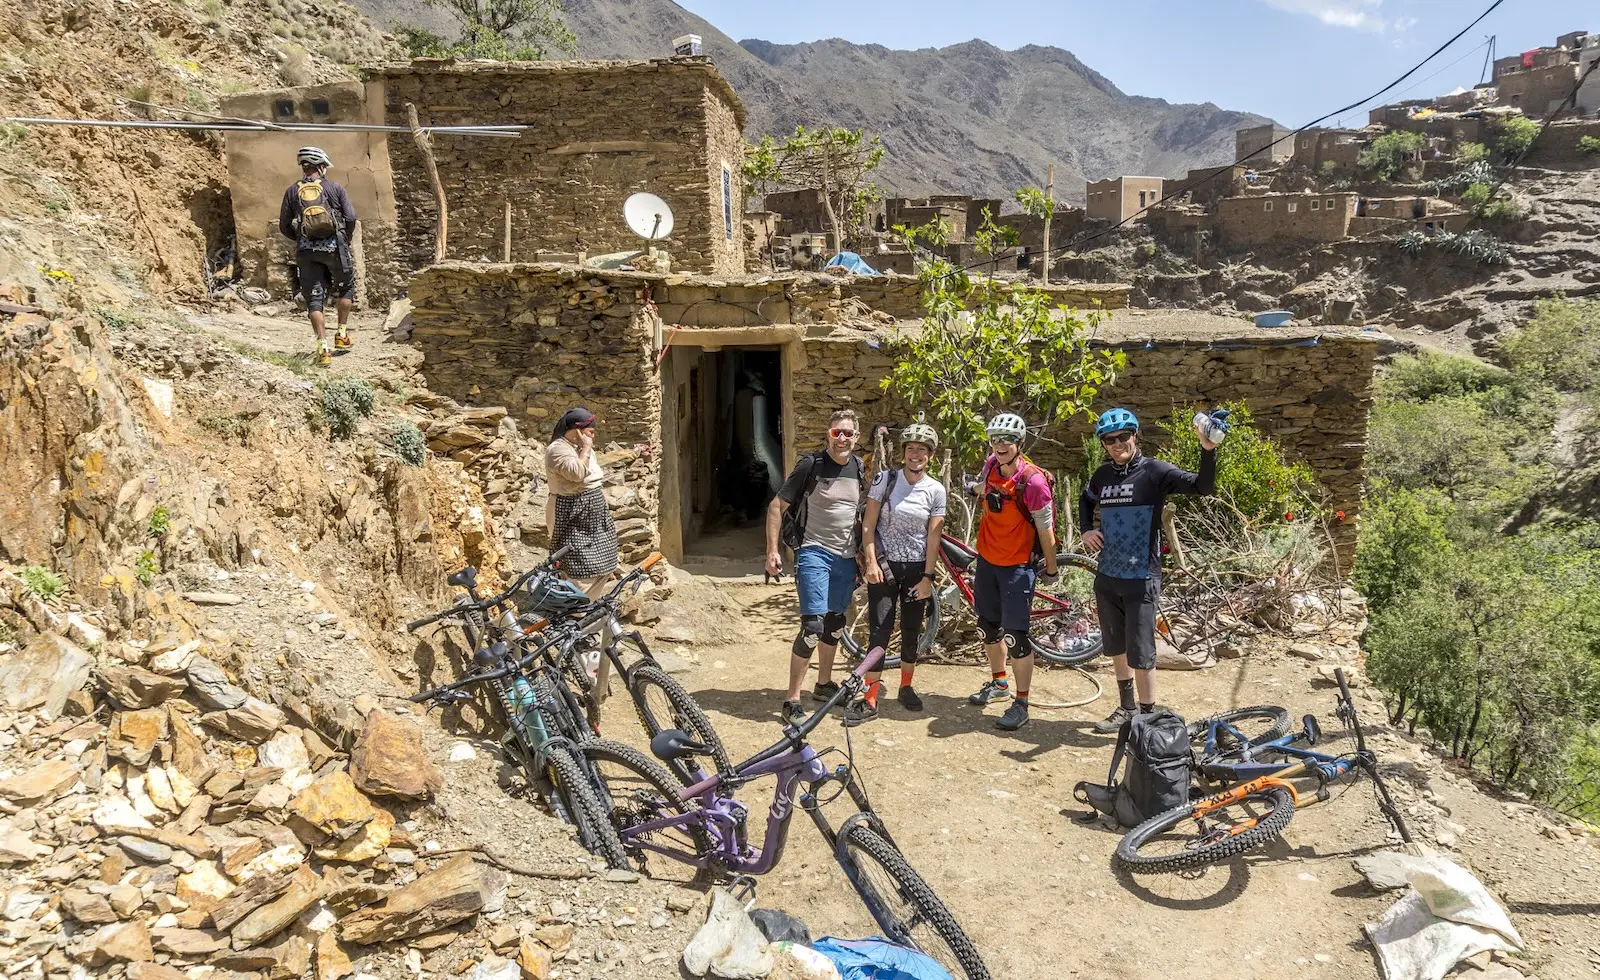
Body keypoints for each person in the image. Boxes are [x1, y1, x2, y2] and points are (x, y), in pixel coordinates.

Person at [1078, 407, 1218, 733]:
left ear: (1135, 435)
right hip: (1108, 575)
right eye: (1109, 440)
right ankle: (1126, 709)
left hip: (1142, 576)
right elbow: (1086, 500)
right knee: (1116, 647)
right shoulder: (1102, 476)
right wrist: (1086, 529)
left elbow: (1202, 487)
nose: (1117, 444)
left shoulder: (1154, 471)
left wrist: (1207, 451)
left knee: (1142, 651)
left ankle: (1147, 715)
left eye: (1123, 436)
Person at [766, 410, 867, 725]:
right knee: (812, 627)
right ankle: (792, 699)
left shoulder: (860, 468)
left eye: (848, 433)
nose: (842, 438)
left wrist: (864, 554)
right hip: (814, 553)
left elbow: (860, 514)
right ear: (828, 434)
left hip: (846, 558)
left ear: (856, 437)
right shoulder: (811, 465)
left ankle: (823, 685)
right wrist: (772, 552)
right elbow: (776, 506)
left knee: (835, 624)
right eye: (837, 432)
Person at [847, 420, 947, 725]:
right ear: (903, 452)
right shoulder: (885, 480)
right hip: (885, 567)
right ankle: (871, 697)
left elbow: (934, 537)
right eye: (911, 449)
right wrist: (871, 562)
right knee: (880, 629)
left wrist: (928, 578)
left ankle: (905, 686)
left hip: (917, 571)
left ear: (930, 456)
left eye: (922, 450)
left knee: (911, 630)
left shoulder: (936, 490)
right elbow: (869, 523)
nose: (915, 454)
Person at [965, 412, 1059, 732]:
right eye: (995, 439)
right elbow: (986, 487)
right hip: (988, 560)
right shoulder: (992, 464)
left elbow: (1046, 530)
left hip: (1017, 565)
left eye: (1007, 440)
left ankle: (1022, 704)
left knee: (1015, 637)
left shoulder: (1033, 481)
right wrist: (975, 488)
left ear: (1020, 443)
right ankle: (999, 683)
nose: (1000, 445)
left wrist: (1051, 566)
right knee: (987, 627)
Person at [279, 146, 357, 367]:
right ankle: (341, 335)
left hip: (306, 251)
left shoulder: (292, 191)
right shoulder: (335, 188)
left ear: (304, 168)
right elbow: (351, 217)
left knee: (314, 300)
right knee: (346, 287)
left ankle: (322, 349)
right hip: (335, 248)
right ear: (322, 167)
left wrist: (301, 239)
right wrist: (345, 238)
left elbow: (283, 226)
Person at [545, 408, 620, 597]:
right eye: (590, 432)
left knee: (604, 557)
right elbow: (577, 474)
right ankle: (576, 609)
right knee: (578, 562)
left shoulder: (579, 449)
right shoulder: (558, 450)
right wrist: (586, 448)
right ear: (576, 430)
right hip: (570, 512)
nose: (592, 438)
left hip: (591, 513)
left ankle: (591, 603)